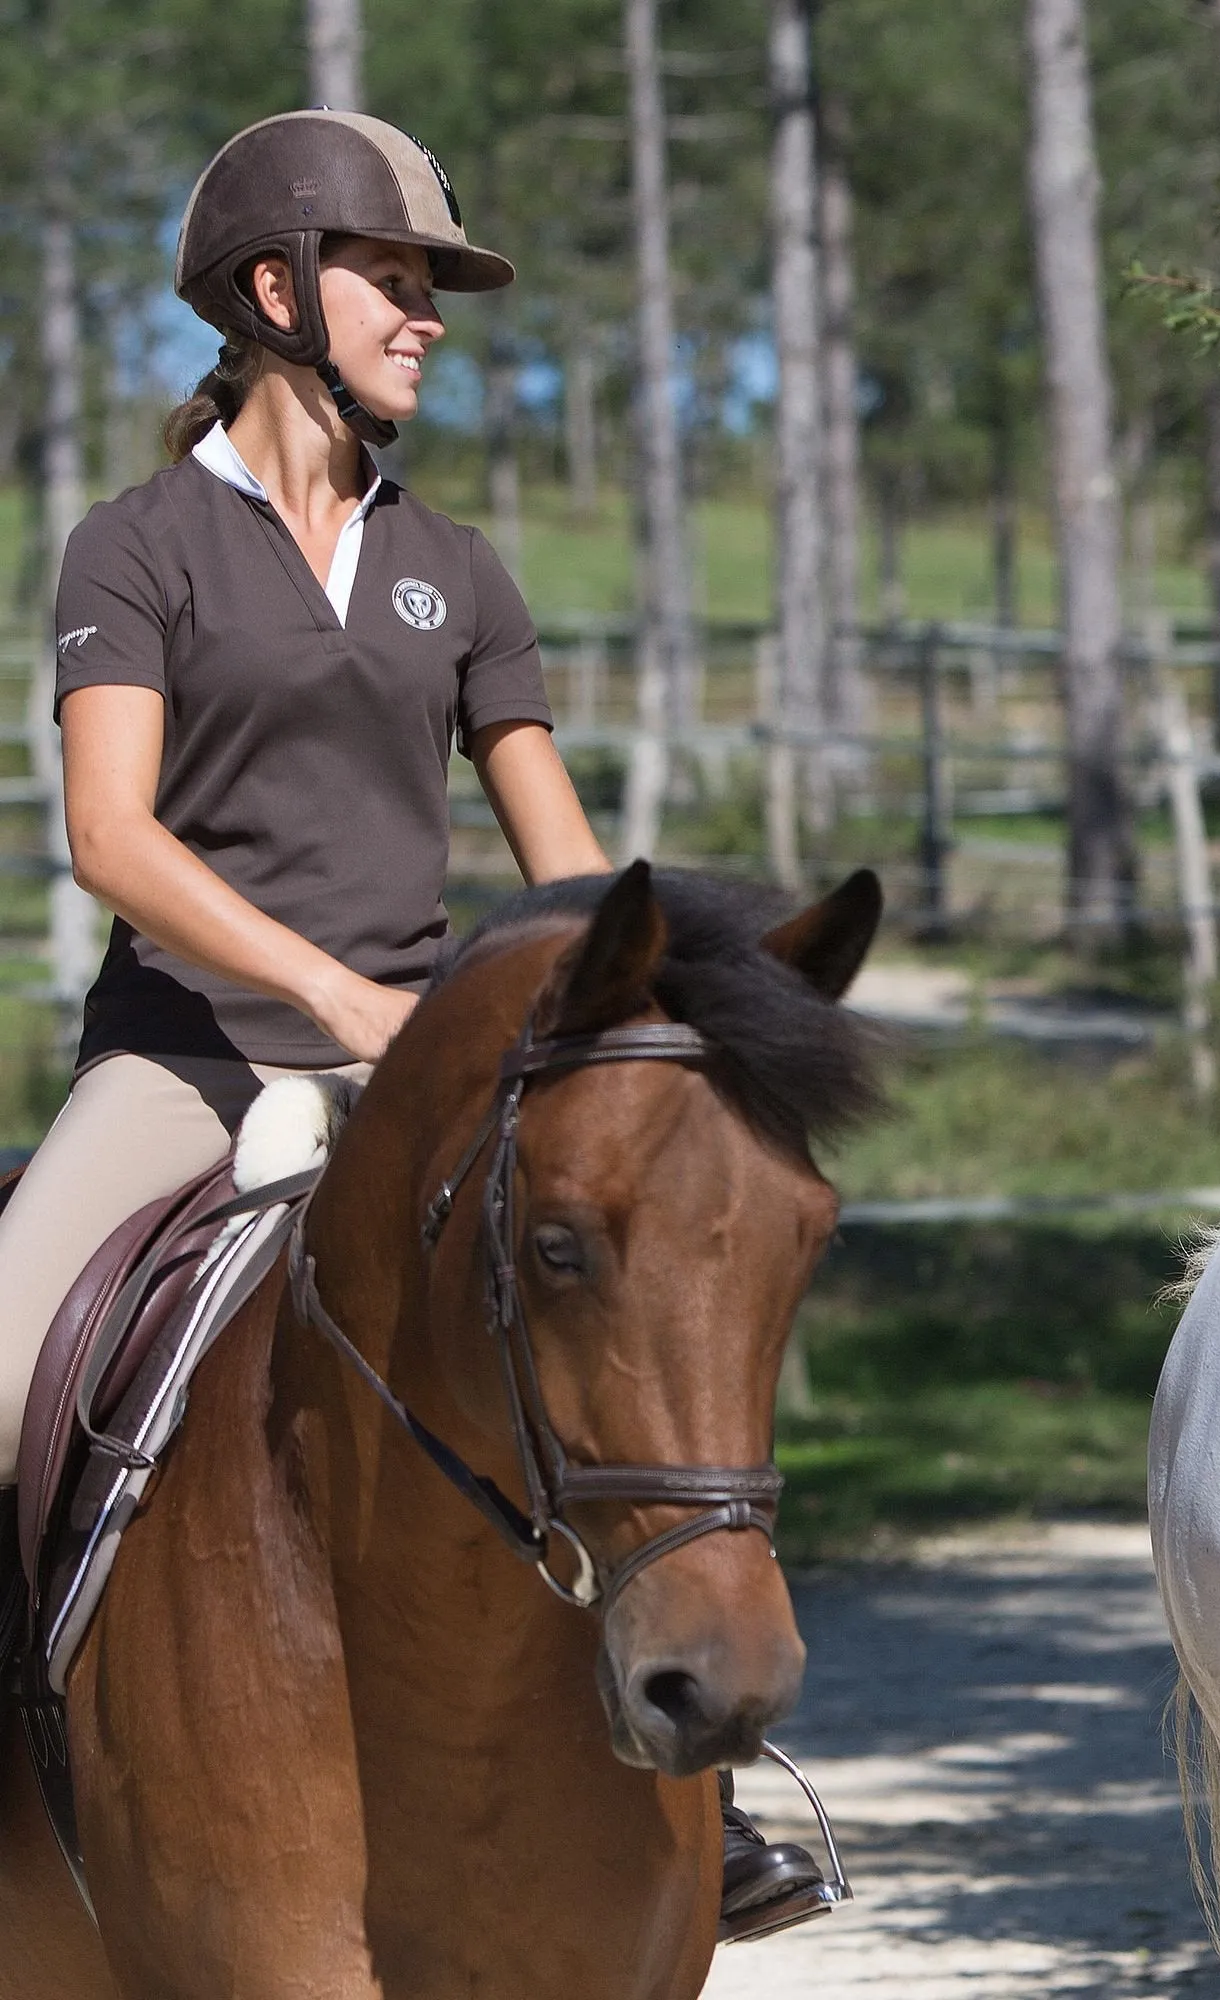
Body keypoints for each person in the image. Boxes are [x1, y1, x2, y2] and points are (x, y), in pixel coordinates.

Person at [7, 108, 826, 1942]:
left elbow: (565, 881)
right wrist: (331, 994)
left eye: (433, 287)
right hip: (184, 1070)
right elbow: (111, 836)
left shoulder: (457, 567)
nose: (430, 315)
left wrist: (652, 1018)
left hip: (419, 1084)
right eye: (397, 278)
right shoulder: (135, 548)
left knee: (635, 1351)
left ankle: (703, 1783)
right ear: (276, 290)